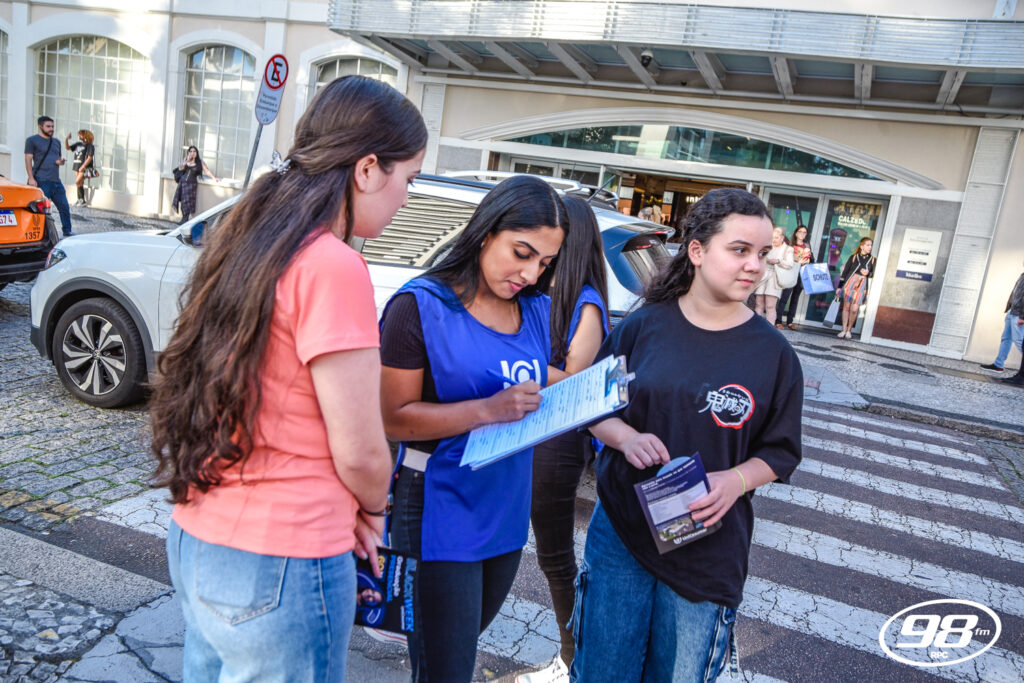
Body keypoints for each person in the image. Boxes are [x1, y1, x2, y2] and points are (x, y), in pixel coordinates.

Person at [149, 75, 427, 681]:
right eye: (408, 179)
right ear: (368, 169)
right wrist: (373, 510)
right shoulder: (333, 265)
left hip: (200, 534)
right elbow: (361, 449)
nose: (407, 198)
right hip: (283, 555)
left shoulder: (253, 241)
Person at [572, 188, 803, 683]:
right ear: (697, 251)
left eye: (762, 253)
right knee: (602, 672)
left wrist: (735, 481)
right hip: (622, 532)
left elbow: (781, 452)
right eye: (739, 250)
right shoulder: (644, 326)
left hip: (706, 544)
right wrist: (624, 438)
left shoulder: (774, 354)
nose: (754, 265)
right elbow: (591, 407)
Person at [379, 175, 567, 682]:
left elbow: (533, 374)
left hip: (506, 504)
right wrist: (487, 410)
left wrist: (595, 395)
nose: (530, 273)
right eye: (521, 253)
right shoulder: (418, 306)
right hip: (439, 504)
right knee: (447, 669)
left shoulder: (535, 308)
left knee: (452, 653)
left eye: (545, 262)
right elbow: (393, 417)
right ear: (486, 232)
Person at [517, 196, 610, 683]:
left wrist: (512, 364)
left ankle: (576, 660)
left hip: (557, 438)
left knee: (554, 554)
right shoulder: (533, 289)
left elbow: (575, 379)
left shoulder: (586, 301)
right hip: (517, 427)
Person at [24, 116, 72, 236]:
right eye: (48, 126)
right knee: (39, 210)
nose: (51, 129)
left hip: (56, 181)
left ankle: (67, 231)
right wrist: (31, 178)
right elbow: (28, 159)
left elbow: (58, 158)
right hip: (41, 180)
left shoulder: (57, 142)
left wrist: (60, 162)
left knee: (64, 206)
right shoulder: (32, 140)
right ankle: (38, 233)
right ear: (40, 126)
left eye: (52, 126)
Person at [981, 261, 1024, 374]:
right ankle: (998, 365)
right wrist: (1009, 307)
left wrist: (1022, 317)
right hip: (1012, 311)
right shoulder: (1022, 275)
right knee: (1006, 338)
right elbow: (1015, 294)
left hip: (1019, 314)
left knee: (1019, 341)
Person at [752, 226, 794, 326]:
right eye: (772, 237)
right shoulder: (766, 246)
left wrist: (778, 261)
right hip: (763, 276)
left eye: (776, 237)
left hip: (775, 278)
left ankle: (770, 329)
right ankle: (756, 327)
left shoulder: (788, 249)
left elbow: (790, 264)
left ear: (782, 238)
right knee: (759, 304)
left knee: (770, 306)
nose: (774, 240)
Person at [836, 237, 876, 338]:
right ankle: (843, 329)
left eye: (871, 245)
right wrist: (839, 287)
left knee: (854, 309)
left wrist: (868, 273)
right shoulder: (853, 257)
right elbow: (845, 273)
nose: (870, 247)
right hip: (850, 283)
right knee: (846, 307)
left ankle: (849, 330)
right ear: (862, 246)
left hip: (862, 285)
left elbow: (873, 274)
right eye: (868, 245)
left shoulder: (872, 260)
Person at [775, 224, 813, 330]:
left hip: (801, 274)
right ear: (796, 233)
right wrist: (796, 260)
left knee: (795, 298)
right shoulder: (789, 245)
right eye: (800, 231)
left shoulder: (807, 246)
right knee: (785, 297)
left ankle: (790, 321)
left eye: (804, 232)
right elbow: (783, 259)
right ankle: (778, 320)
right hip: (791, 273)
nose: (802, 234)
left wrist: (808, 261)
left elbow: (810, 260)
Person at [172, 145, 220, 223]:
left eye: (194, 151)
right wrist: (186, 161)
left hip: (192, 184)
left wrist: (214, 178)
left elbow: (207, 171)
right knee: (183, 201)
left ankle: (185, 218)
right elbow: (180, 168)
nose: (192, 153)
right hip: (183, 183)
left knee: (189, 201)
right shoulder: (186, 160)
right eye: (191, 151)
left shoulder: (199, 162)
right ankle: (183, 218)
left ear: (197, 153)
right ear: (188, 153)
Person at [65, 129, 95, 207]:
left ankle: (81, 200)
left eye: (81, 135)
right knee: (80, 183)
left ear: (85, 136)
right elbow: (68, 148)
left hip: (83, 166)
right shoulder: (78, 144)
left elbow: (90, 157)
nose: (79, 136)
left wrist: (83, 166)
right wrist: (66, 140)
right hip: (77, 165)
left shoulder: (90, 146)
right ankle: (81, 199)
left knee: (77, 181)